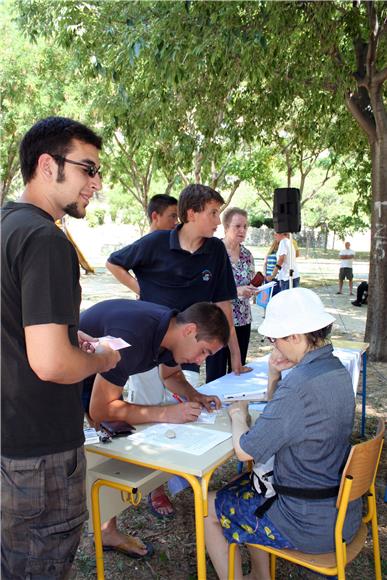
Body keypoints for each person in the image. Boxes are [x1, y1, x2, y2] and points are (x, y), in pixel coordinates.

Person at [1, 117, 121, 579]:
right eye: (87, 169)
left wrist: (72, 336)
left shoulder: (7, 226)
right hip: (40, 454)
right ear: (47, 165)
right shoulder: (46, 239)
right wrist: (102, 359)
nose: (96, 183)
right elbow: (51, 363)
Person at [204, 288, 361, 579]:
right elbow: (287, 415)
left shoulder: (299, 385)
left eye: (275, 338)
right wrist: (275, 377)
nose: (272, 345)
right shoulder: (335, 369)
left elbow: (246, 450)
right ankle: (261, 575)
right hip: (340, 511)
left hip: (306, 522)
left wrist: (238, 415)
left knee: (208, 507)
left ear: (296, 337)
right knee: (250, 489)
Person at [80, 299, 229, 557]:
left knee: (111, 437)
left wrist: (195, 396)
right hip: (65, 372)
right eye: (203, 351)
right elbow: (101, 410)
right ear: (189, 330)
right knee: (94, 444)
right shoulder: (133, 337)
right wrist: (166, 414)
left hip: (91, 368)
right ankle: (93, 528)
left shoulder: (170, 332)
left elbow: (171, 376)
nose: (201, 361)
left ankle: (106, 530)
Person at [106, 183, 243, 385]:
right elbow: (114, 263)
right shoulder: (155, 242)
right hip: (149, 343)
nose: (217, 221)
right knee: (148, 408)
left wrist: (235, 355)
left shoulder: (216, 250)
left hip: (190, 346)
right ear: (192, 213)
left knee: (186, 406)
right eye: (213, 213)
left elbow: (224, 305)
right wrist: (141, 289)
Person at [207, 207, 257, 377]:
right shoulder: (213, 252)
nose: (242, 230)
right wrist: (237, 291)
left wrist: (251, 290)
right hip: (218, 321)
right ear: (226, 227)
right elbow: (208, 289)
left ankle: (235, 403)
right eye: (237, 226)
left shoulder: (247, 254)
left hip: (243, 319)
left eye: (245, 226)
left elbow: (248, 282)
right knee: (216, 372)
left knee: (238, 369)